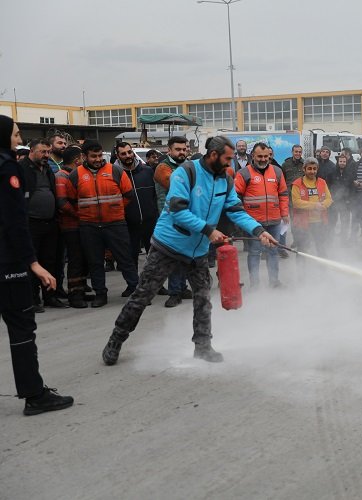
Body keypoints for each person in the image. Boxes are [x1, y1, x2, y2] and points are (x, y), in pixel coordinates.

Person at [102, 136, 278, 366]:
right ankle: (116, 339)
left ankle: (203, 346)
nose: (230, 164)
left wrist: (259, 231)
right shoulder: (185, 173)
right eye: (226, 159)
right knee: (142, 296)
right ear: (213, 155)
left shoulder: (225, 179)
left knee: (203, 298)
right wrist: (209, 231)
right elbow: (177, 211)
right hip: (168, 245)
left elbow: (235, 210)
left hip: (198, 251)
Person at [0, 114, 74, 415]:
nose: (18, 139)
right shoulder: (8, 169)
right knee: (22, 328)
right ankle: (34, 395)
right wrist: (33, 263)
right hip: (8, 262)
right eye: (16, 134)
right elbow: (15, 223)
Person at [69, 141, 139, 306]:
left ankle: (136, 290)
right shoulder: (75, 175)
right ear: (84, 157)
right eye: (94, 156)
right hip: (89, 226)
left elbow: (128, 195)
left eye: (100, 155)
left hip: (115, 224)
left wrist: (115, 210)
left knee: (125, 259)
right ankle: (100, 294)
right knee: (94, 262)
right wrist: (85, 215)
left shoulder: (115, 170)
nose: (98, 159)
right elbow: (72, 201)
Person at [19, 139, 66, 310]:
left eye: (48, 152)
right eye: (43, 152)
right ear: (32, 151)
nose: (46, 155)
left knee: (50, 261)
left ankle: (50, 297)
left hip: (50, 223)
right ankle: (32, 299)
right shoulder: (21, 169)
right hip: (30, 224)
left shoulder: (47, 169)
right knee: (32, 263)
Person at [234, 142, 289, 288]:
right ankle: (255, 284)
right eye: (260, 156)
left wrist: (284, 213)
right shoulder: (243, 173)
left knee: (273, 251)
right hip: (253, 222)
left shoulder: (277, 172)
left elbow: (283, 194)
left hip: (274, 221)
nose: (264, 159)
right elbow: (236, 198)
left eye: (266, 156)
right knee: (254, 252)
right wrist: (241, 218)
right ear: (253, 155)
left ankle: (274, 281)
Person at [154, 136, 192, 306]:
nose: (181, 152)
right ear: (169, 150)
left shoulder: (189, 166)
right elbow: (178, 186)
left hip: (187, 217)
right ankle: (174, 292)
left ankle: (182, 288)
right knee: (172, 258)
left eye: (184, 149)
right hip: (169, 219)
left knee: (185, 256)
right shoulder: (163, 168)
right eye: (178, 149)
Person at [115, 142, 158, 273]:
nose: (127, 155)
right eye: (123, 153)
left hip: (150, 221)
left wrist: (155, 214)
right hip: (129, 223)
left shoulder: (147, 171)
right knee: (130, 256)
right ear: (118, 156)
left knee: (154, 256)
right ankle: (133, 285)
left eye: (129, 152)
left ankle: (157, 284)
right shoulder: (115, 174)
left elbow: (155, 195)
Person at [54, 145, 88, 308]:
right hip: (70, 225)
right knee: (75, 260)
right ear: (77, 160)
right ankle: (75, 295)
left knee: (82, 258)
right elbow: (62, 202)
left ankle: (80, 290)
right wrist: (80, 214)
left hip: (80, 224)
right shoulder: (62, 176)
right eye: (82, 158)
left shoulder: (75, 174)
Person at [290, 158, 332, 257]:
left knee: (321, 247)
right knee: (302, 249)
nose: (312, 171)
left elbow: (329, 199)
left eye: (314, 169)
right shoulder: (297, 184)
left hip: (319, 222)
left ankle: (323, 270)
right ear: (304, 169)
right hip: (303, 223)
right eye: (309, 169)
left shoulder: (322, 182)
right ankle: (302, 271)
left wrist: (323, 205)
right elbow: (296, 202)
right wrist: (315, 205)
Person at [280, 144, 305, 255]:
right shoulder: (285, 164)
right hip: (289, 197)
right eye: (296, 151)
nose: (298, 154)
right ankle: (290, 242)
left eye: (300, 152)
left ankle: (299, 240)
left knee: (300, 220)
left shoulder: (304, 164)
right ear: (292, 152)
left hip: (301, 197)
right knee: (290, 221)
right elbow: (282, 180)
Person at [328, 154, 354, 243]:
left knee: (345, 222)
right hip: (334, 202)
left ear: (346, 163)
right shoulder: (332, 173)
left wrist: (349, 200)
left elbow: (352, 189)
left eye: (344, 161)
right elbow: (328, 186)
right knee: (332, 222)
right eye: (340, 161)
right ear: (338, 162)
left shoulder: (350, 174)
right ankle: (330, 240)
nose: (342, 163)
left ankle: (344, 240)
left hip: (345, 202)